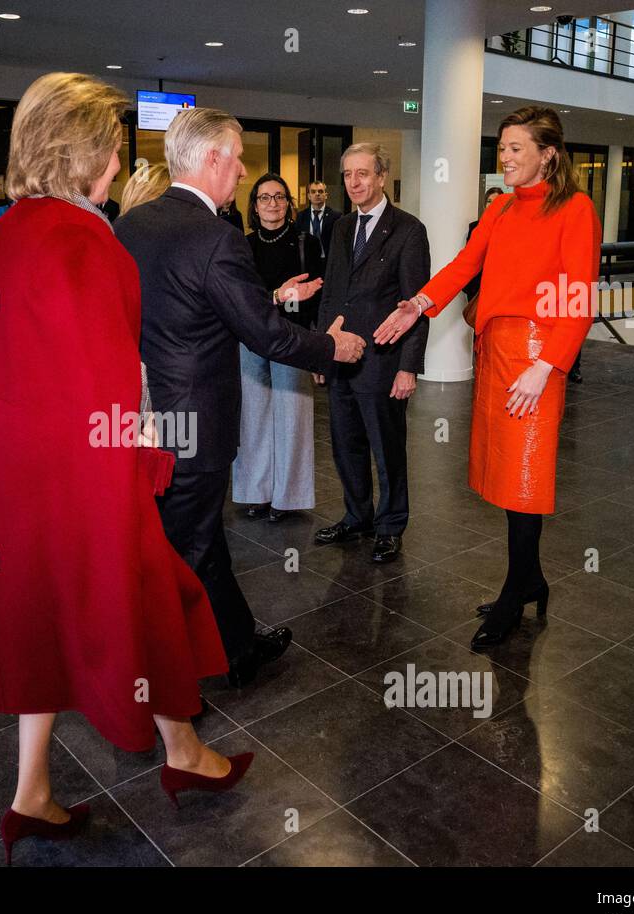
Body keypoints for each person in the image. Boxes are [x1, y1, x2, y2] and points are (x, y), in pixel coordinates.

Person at [0, 73, 254, 865]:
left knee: (39, 620)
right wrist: (142, 458)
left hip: (17, 471)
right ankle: (184, 754)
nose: (122, 157)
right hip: (86, 476)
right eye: (116, 143)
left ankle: (30, 793)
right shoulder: (86, 237)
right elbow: (106, 377)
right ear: (84, 149)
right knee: (154, 604)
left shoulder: (9, 230)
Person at [116, 107, 365, 688]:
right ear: (209, 160)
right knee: (188, 546)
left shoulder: (129, 228)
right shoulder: (216, 238)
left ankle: (236, 645)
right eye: (235, 156)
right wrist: (333, 349)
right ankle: (167, 677)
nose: (242, 169)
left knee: (195, 535)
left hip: (144, 416)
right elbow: (266, 334)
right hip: (197, 421)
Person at [374, 105, 600, 650]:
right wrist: (419, 304)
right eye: (502, 148)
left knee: (525, 479)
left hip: (538, 358)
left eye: (516, 147)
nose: (505, 156)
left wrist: (546, 367)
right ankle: (530, 578)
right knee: (505, 476)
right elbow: (463, 264)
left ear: (548, 153)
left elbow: (579, 297)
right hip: (496, 354)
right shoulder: (500, 207)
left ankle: (513, 594)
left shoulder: (576, 208)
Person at [312, 143, 430, 564]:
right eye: (347, 175)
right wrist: (323, 352)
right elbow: (331, 295)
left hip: (383, 362)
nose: (354, 182)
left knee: (387, 449)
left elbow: (417, 305)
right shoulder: (342, 227)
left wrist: (409, 368)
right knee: (345, 445)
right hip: (342, 358)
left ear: (382, 177)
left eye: (363, 173)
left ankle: (390, 526)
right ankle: (357, 516)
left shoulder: (408, 231)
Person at [233, 172, 324, 522]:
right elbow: (241, 297)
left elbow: (317, 296)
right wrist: (276, 296)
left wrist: (318, 348)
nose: (272, 203)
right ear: (254, 206)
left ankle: (288, 497)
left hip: (293, 338)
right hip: (252, 338)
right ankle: (256, 493)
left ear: (289, 203)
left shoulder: (306, 243)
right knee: (253, 419)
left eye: (279, 197)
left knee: (293, 419)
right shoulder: (243, 244)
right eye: (264, 198)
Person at [464, 185, 504, 302]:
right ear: (484, 204)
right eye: (489, 201)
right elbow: (469, 257)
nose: (492, 205)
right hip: (477, 285)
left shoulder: (510, 228)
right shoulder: (475, 227)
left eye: (496, 201)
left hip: (499, 285)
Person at [293, 179, 340, 258]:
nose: (317, 194)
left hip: (327, 261)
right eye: (313, 192)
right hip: (307, 261)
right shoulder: (301, 216)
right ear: (309, 196)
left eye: (320, 191)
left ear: (326, 195)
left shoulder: (335, 217)